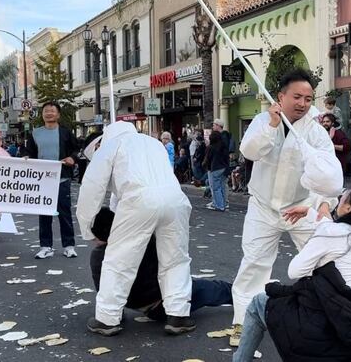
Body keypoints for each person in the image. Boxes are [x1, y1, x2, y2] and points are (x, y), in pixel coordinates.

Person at [229, 68, 343, 347]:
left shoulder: (316, 133)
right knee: (254, 265)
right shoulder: (261, 120)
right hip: (263, 208)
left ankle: (333, 319)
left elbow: (328, 176)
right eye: (297, 97)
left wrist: (326, 204)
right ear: (281, 96)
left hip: (302, 209)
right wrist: (270, 124)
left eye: (308, 98)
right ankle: (243, 325)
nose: (303, 103)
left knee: (322, 262)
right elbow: (249, 151)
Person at [233, 185, 351, 362]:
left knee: (258, 302)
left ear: (348, 208)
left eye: (343, 198)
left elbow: (294, 271)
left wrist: (317, 248)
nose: (340, 199)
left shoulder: (331, 233)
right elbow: (337, 232)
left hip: (318, 331)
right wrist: (311, 213)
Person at [76, 121, 195, 336]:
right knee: (175, 259)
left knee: (119, 260)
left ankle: (107, 318)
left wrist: (88, 227)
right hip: (175, 199)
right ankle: (179, 315)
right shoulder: (153, 143)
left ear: (99, 143)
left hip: (139, 200)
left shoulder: (109, 147)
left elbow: (92, 187)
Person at [90, 207, 231, 322]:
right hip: (168, 298)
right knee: (215, 289)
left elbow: (105, 291)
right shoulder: (140, 242)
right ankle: (242, 295)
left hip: (147, 308)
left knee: (203, 289)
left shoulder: (99, 258)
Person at [26, 102, 80, 259]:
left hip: (62, 178)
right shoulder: (35, 133)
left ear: (58, 115)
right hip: (42, 180)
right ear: (42, 115)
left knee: (65, 213)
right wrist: (26, 157)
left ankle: (69, 246)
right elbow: (28, 151)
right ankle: (45, 246)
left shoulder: (65, 133)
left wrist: (72, 158)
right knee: (44, 214)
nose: (49, 113)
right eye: (46, 111)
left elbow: (76, 149)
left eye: (52, 111)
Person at [204, 131, 229, 211]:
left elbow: (208, 159)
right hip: (224, 167)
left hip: (215, 168)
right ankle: (224, 204)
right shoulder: (224, 146)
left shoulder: (211, 147)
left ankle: (219, 205)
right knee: (222, 187)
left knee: (216, 188)